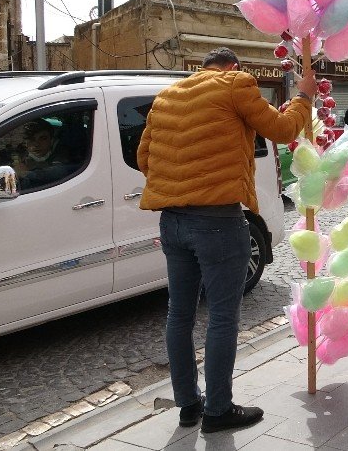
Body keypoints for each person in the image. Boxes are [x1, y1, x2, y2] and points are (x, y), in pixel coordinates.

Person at [137, 47, 314, 433]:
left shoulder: (167, 96)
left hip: (172, 221)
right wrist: (303, 96)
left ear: (202, 68)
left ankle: (188, 405)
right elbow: (283, 130)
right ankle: (218, 410)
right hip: (217, 220)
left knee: (179, 314)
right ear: (233, 67)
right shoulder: (236, 83)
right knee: (221, 316)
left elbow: (143, 159)